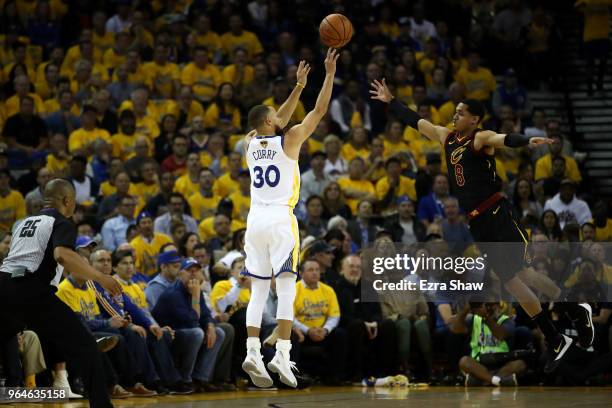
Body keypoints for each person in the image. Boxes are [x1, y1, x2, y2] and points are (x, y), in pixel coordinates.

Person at [370, 78, 592, 373]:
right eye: (456, 111)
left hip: (498, 213)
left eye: (461, 112)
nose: (455, 114)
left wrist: (527, 140)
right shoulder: (446, 137)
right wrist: (391, 101)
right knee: (511, 281)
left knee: (524, 272)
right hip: (477, 221)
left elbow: (503, 138)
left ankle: (575, 309)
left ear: (474, 119)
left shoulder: (479, 137)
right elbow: (417, 121)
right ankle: (555, 337)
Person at [240, 50, 338, 389]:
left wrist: (298, 86)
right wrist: (327, 75)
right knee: (285, 290)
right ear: (270, 122)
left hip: (254, 221)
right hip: (281, 219)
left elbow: (274, 120)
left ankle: (252, 350)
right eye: (274, 115)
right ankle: (282, 352)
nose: (279, 116)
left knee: (257, 292)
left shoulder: (249, 143)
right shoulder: (290, 139)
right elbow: (320, 110)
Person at [0, 178, 121, 408]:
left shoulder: (22, 223)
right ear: (67, 200)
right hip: (32, 290)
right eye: (74, 202)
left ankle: (62, 366)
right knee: (87, 347)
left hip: (3, 286)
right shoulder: (61, 222)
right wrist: (101, 277)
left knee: (53, 334)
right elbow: (62, 255)